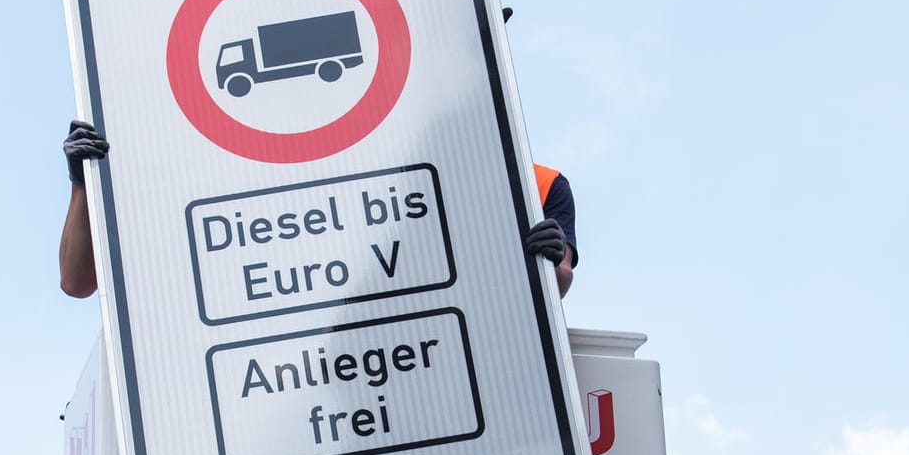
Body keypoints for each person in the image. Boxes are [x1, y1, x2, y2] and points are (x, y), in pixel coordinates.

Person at [58, 120, 578, 297]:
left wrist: (549, 264)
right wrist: (86, 185)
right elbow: (79, 280)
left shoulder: (541, 183)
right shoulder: (200, 184)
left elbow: (557, 282)